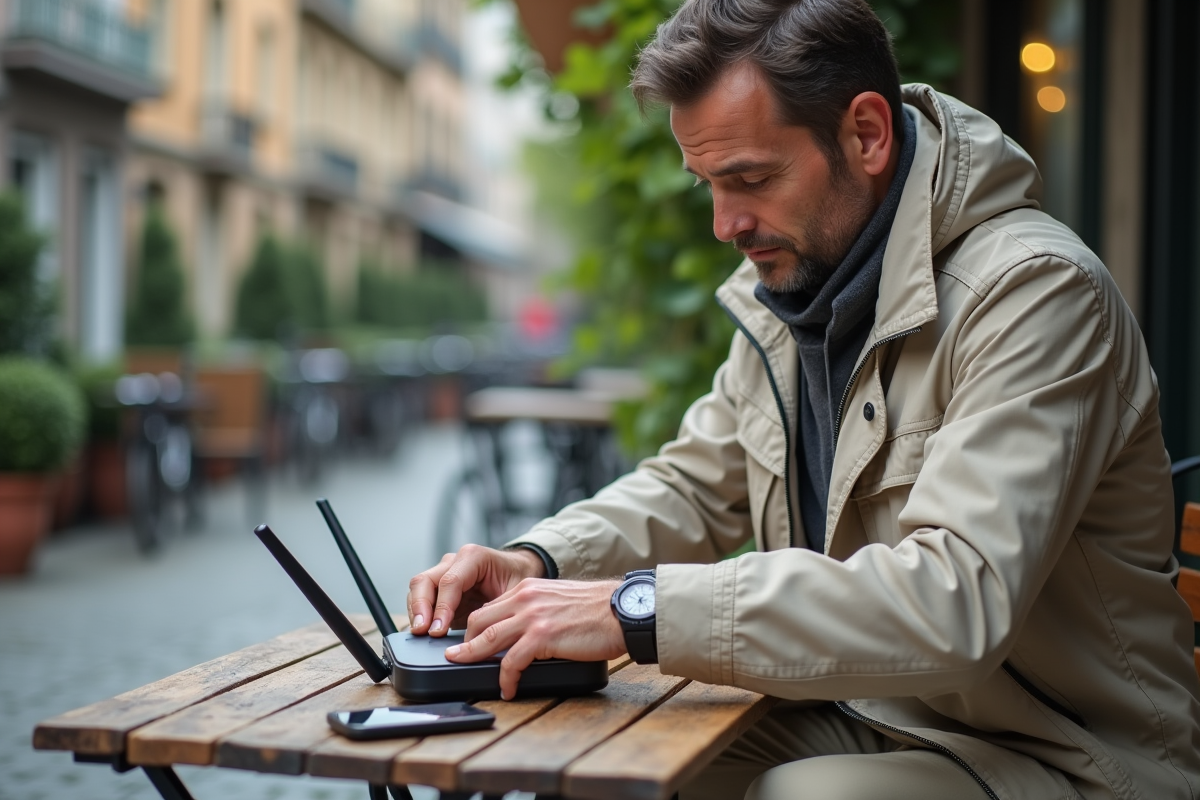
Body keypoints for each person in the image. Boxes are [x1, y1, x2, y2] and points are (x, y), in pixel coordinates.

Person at [407, 0, 1200, 797]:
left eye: (750, 178)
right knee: (607, 760)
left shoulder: (1033, 294)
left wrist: (638, 608)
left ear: (866, 134)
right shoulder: (798, 288)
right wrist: (536, 562)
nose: (726, 222)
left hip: (1071, 755)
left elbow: (955, 600)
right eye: (708, 185)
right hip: (882, 709)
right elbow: (692, 485)